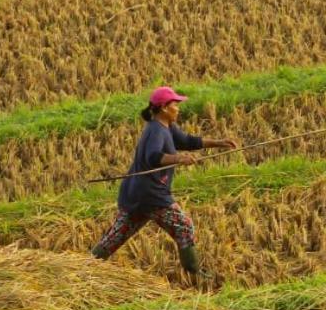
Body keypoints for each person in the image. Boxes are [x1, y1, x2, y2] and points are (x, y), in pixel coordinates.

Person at [90, 86, 237, 283]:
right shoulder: (156, 130)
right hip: (152, 195)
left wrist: (219, 142)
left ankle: (87, 266)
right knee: (183, 226)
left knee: (117, 235)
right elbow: (154, 157)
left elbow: (187, 141)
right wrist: (179, 159)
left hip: (136, 193)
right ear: (164, 108)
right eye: (175, 104)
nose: (179, 108)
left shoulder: (165, 126)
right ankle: (195, 273)